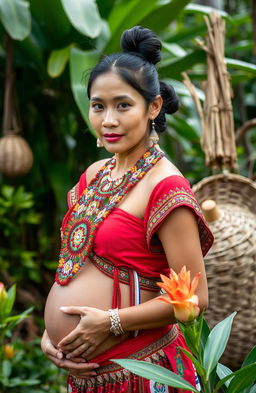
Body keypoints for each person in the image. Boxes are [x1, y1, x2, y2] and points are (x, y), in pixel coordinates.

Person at [41, 26, 214, 393]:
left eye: (123, 105)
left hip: (143, 370)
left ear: (153, 107)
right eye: (98, 106)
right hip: (89, 377)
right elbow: (78, 264)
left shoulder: (166, 186)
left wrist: (111, 322)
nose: (108, 121)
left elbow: (195, 298)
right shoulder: (94, 174)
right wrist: (50, 334)